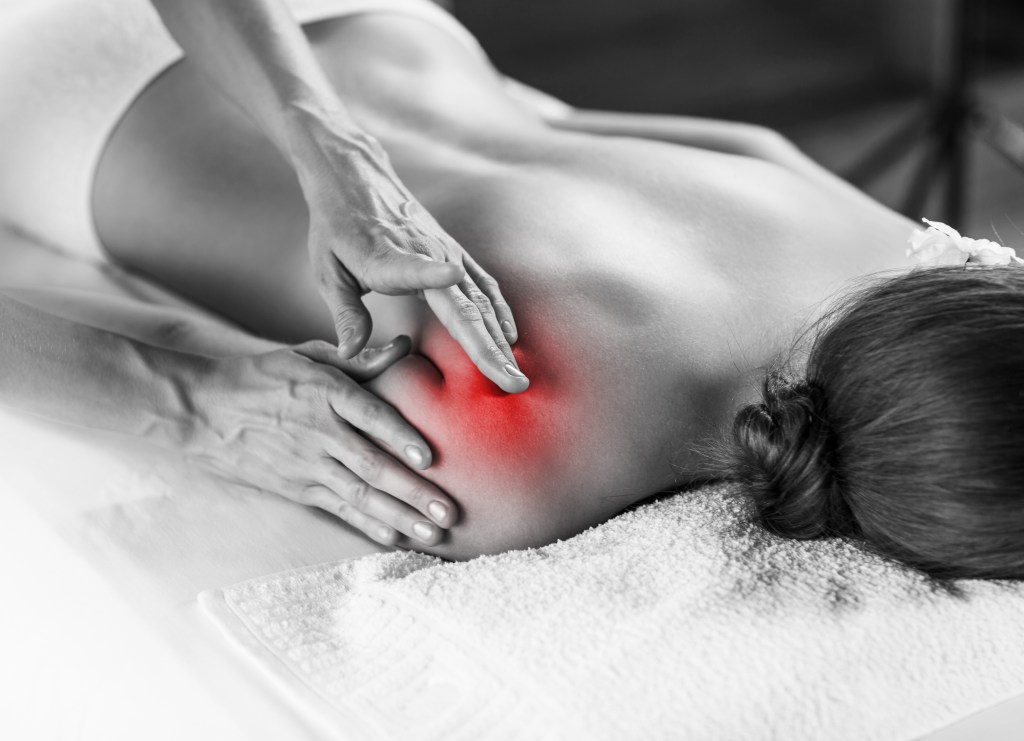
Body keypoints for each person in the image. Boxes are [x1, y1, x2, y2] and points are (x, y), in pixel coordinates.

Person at [1, 1, 1019, 577]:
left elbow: (736, 144)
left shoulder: (882, 241)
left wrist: (335, 144)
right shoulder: (516, 461)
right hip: (66, 92)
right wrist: (175, 402)